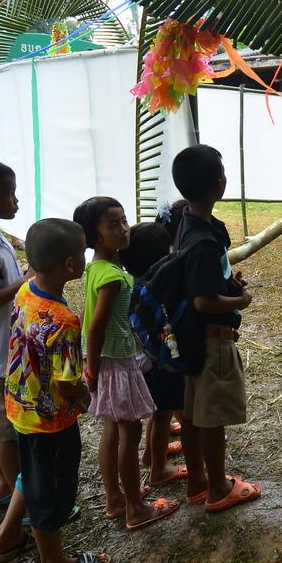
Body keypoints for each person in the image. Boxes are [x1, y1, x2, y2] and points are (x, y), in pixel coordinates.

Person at [0, 219, 112, 563]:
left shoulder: (26, 292)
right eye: (81, 252)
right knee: (49, 491)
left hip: (21, 409)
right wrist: (84, 396)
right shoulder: (63, 319)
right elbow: (66, 381)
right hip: (50, 422)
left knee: (33, 478)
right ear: (69, 265)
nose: (84, 258)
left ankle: (10, 540)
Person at [74, 197, 179, 530]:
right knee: (129, 433)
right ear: (92, 236)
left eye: (124, 221)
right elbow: (95, 324)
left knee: (112, 430)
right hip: (117, 360)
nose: (124, 229)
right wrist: (90, 367)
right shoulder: (113, 278)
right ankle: (135, 507)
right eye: (113, 224)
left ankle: (116, 498)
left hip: (106, 360)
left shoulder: (96, 268)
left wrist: (91, 360)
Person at [171, 145, 261, 511]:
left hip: (191, 337)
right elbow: (202, 301)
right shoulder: (203, 241)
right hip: (211, 340)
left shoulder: (190, 225)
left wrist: (228, 286)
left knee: (193, 413)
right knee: (210, 419)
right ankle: (218, 489)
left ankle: (197, 481)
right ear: (219, 185)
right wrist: (238, 301)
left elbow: (207, 284)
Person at [119, 222, 187, 488]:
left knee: (159, 411)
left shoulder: (130, 284)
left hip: (142, 361)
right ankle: (159, 469)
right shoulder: (153, 289)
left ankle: (151, 455)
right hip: (157, 361)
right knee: (162, 414)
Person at [0, 162, 25, 509]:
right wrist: (29, 279)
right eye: (9, 193)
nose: (16, 201)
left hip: (5, 346)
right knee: (6, 432)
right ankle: (23, 498)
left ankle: (1, 485)